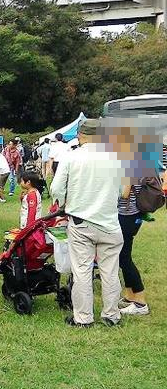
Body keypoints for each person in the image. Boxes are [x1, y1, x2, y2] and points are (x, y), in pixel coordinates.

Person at [51, 119, 124, 327]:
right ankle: (111, 315)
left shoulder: (71, 157)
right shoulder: (116, 158)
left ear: (81, 135)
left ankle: (83, 318)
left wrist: (63, 202)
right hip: (110, 223)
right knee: (110, 271)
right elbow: (121, 192)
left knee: (82, 271)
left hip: (81, 223)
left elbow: (56, 188)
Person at [118, 181, 150, 315]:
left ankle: (140, 302)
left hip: (127, 216)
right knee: (123, 257)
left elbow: (124, 193)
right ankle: (130, 296)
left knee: (124, 259)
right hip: (132, 215)